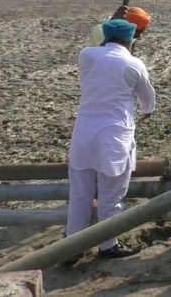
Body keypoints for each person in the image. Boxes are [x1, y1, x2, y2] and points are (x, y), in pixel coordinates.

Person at [66, 19, 156, 259]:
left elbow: (100, 49)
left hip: (83, 136)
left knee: (80, 196)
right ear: (131, 40)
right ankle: (108, 246)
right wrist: (148, 111)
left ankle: (70, 249)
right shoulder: (134, 64)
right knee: (111, 196)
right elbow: (148, 98)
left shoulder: (87, 56)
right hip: (114, 139)